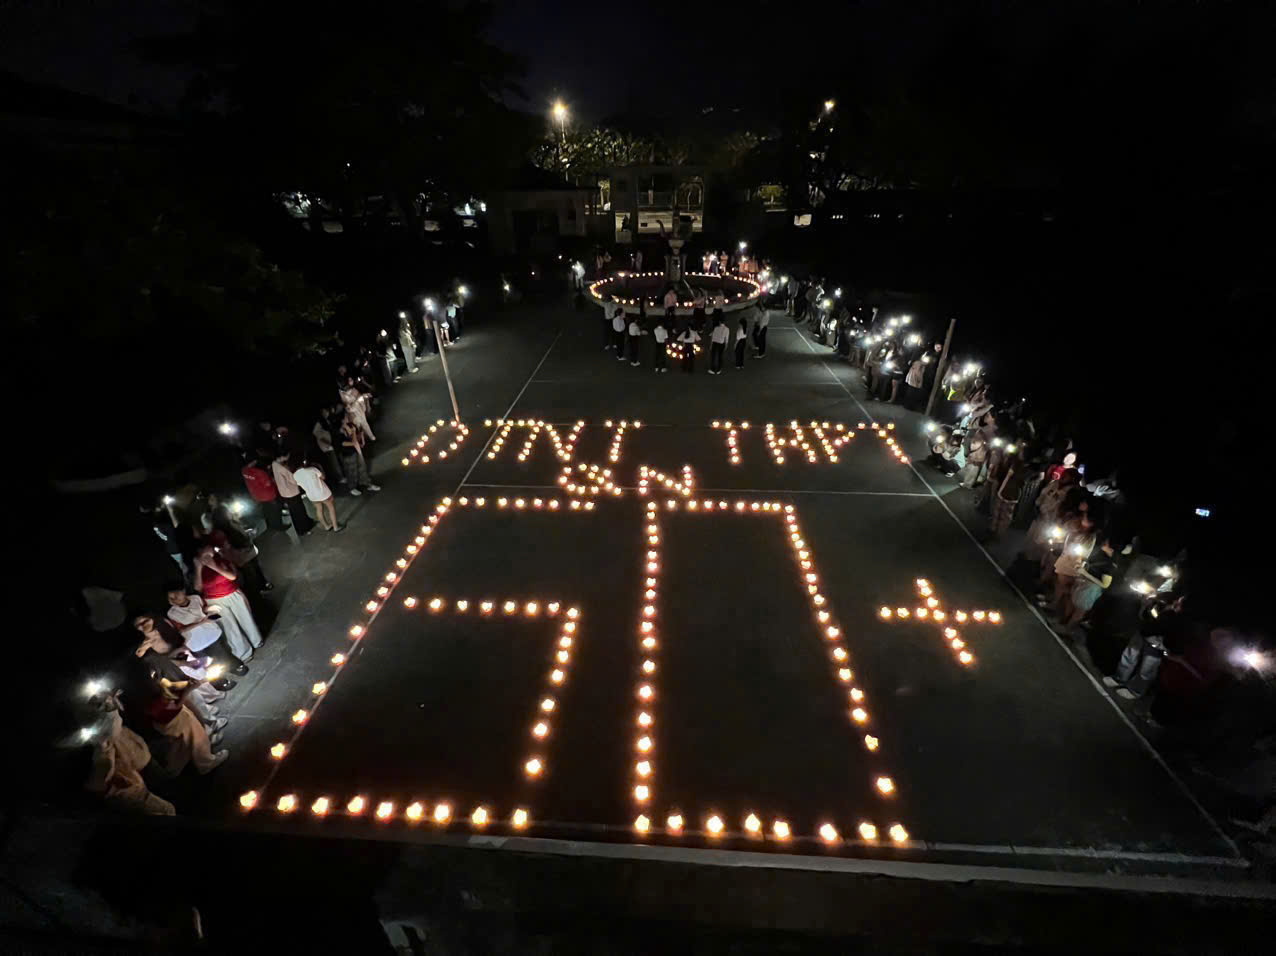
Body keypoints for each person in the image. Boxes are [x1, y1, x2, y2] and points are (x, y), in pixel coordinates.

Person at [84, 695, 175, 815]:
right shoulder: (101, 748)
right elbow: (102, 778)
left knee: (165, 785)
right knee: (167, 808)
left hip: (138, 758)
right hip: (130, 786)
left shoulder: (109, 734)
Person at [143, 667, 229, 775]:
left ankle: (174, 769)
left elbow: (170, 685)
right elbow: (173, 708)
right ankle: (206, 764)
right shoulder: (148, 698)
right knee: (197, 737)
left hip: (173, 717)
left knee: (185, 742)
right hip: (172, 720)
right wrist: (188, 689)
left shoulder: (151, 684)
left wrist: (190, 683)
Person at [193, 545, 264, 661]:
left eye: (209, 549)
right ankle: (243, 652)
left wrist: (214, 566)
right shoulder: (198, 566)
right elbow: (198, 588)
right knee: (230, 627)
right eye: (204, 550)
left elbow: (232, 576)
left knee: (245, 618)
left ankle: (256, 641)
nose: (208, 552)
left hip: (232, 594)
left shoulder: (221, 558)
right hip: (213, 600)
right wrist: (198, 568)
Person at [165, 587, 251, 672]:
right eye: (171, 598)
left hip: (211, 632)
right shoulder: (172, 613)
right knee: (215, 660)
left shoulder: (195, 598)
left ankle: (236, 667)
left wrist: (209, 609)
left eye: (176, 594)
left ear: (183, 591)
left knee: (224, 653)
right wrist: (201, 622)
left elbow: (203, 609)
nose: (175, 599)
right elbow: (181, 630)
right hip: (196, 641)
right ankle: (235, 669)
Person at [203, 493, 273, 593]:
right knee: (249, 573)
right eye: (228, 512)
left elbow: (242, 533)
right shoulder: (222, 531)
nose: (230, 513)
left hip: (247, 550)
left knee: (256, 568)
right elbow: (231, 544)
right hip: (241, 554)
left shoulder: (232, 523)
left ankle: (262, 583)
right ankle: (257, 589)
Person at [1063, 538, 1117, 630]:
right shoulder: (1099, 555)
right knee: (1073, 603)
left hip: (1092, 588)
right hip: (1084, 582)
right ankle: (1063, 624)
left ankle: (1068, 629)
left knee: (1080, 610)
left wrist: (1085, 573)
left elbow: (1105, 584)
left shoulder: (1110, 565)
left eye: (1106, 544)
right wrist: (1080, 567)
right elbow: (1087, 564)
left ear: (1112, 549)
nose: (1104, 544)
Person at [150, 498, 192, 584]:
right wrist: (171, 511)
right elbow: (176, 526)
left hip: (170, 549)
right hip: (177, 549)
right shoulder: (166, 525)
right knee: (185, 569)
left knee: (181, 568)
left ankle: (186, 582)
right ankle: (188, 584)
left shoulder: (155, 523)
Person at [272, 454, 315, 536]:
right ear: (281, 456)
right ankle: (304, 529)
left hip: (284, 492)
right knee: (299, 511)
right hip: (291, 492)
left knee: (294, 512)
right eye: (286, 456)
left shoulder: (274, 464)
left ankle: (305, 525)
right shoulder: (282, 468)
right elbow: (293, 480)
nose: (287, 458)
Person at [293, 457, 341, 532]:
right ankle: (336, 527)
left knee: (319, 509)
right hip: (322, 493)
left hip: (311, 495)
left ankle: (326, 526)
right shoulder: (312, 469)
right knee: (331, 508)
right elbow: (323, 477)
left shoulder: (295, 475)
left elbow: (298, 484)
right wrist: (320, 468)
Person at [240, 456, 285, 532]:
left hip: (257, 496)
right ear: (254, 461)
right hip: (268, 495)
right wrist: (272, 480)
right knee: (275, 512)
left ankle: (270, 527)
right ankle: (279, 527)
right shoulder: (259, 472)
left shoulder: (244, 471)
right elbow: (268, 484)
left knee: (267, 512)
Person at [340, 415, 380, 495]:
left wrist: (360, 436)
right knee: (351, 472)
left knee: (362, 469)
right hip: (348, 454)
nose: (348, 418)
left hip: (356, 451)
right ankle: (352, 488)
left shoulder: (351, 426)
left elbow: (357, 441)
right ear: (342, 421)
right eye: (346, 418)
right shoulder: (340, 433)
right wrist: (354, 432)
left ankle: (367, 483)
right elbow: (353, 442)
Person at [313, 407, 347, 488]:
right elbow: (316, 433)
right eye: (324, 412)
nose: (326, 413)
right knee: (334, 462)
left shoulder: (326, 421)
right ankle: (340, 478)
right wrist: (325, 442)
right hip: (327, 446)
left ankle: (342, 476)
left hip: (331, 444)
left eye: (327, 411)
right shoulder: (319, 423)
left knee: (336, 461)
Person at [339, 375, 375, 441]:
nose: (351, 381)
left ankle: (371, 437)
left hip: (359, 409)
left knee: (365, 423)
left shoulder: (353, 389)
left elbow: (359, 396)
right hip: (353, 413)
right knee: (359, 426)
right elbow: (348, 407)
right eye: (350, 380)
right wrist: (361, 397)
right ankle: (364, 440)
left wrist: (364, 397)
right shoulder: (342, 393)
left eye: (351, 380)